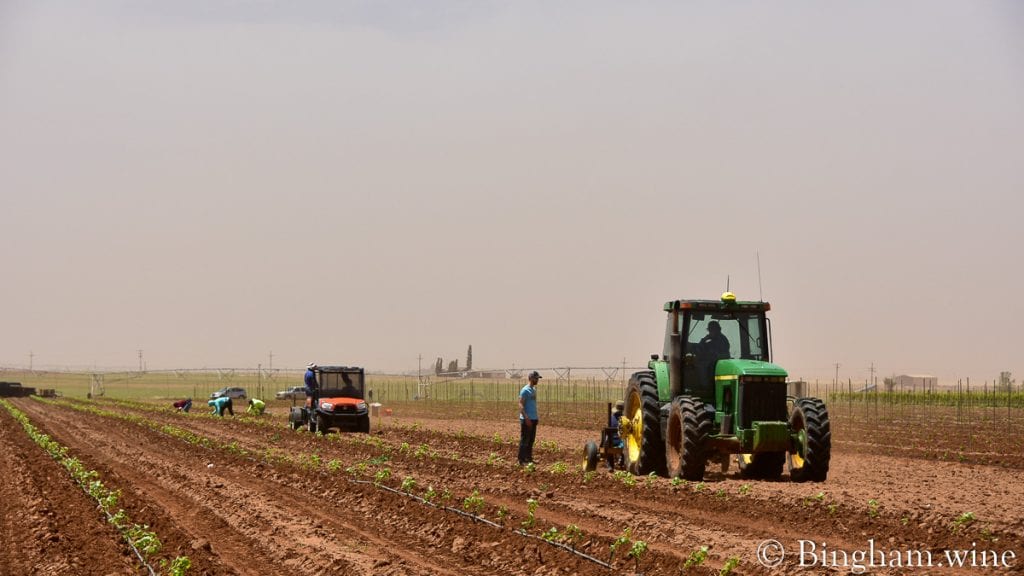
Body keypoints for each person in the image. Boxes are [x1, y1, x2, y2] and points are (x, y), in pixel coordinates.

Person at [518, 370, 542, 466]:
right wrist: (526, 418)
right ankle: (522, 459)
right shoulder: (525, 390)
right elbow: (520, 404)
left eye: (538, 378)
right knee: (525, 440)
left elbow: (532, 405)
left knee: (531, 440)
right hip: (526, 419)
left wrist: (536, 417)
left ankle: (529, 458)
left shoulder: (533, 390)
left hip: (533, 418)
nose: (537, 380)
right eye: (536, 378)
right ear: (531, 378)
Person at [606, 400, 625, 471]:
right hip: (623, 442)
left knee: (607, 442)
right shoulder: (626, 419)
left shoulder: (611, 418)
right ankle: (622, 461)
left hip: (612, 441)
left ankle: (610, 464)